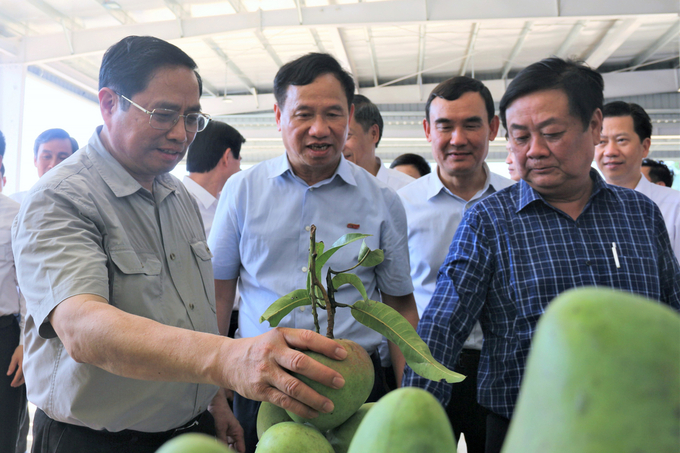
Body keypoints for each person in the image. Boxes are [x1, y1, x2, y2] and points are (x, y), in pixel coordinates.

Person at [11, 36, 349, 453]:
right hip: (97, 441)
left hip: (189, 431)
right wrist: (227, 359)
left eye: (192, 118)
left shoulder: (177, 196)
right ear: (108, 103)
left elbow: (190, 314)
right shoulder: (62, 198)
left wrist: (211, 399)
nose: (180, 134)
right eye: (163, 114)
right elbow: (82, 327)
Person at [403, 57, 680, 453]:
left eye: (551, 133)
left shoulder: (639, 213)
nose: (534, 151)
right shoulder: (488, 221)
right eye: (519, 137)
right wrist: (411, 420)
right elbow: (442, 327)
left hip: (637, 427)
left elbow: (673, 309)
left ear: (594, 125)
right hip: (529, 431)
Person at [209, 52, 419, 453]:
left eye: (333, 114)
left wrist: (409, 393)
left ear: (350, 117)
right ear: (278, 116)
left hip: (356, 386)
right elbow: (219, 295)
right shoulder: (243, 191)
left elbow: (398, 304)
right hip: (261, 380)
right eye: (303, 114)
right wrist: (214, 391)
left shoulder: (382, 201)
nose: (319, 129)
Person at [398, 76, 514, 453]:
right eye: (445, 125)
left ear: (494, 128)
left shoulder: (517, 203)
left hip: (501, 370)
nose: (457, 138)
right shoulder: (402, 205)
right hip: (429, 366)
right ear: (428, 130)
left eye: (472, 124)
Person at [595, 101, 680, 261]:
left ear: (645, 146)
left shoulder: (675, 207)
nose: (610, 151)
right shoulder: (583, 208)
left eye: (621, 140)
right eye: (601, 142)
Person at [0, 129, 26, 453]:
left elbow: (30, 288)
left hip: (3, 340)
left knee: (4, 434)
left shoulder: (16, 215)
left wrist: (24, 344)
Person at [184, 120, 245, 237]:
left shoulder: (222, 204)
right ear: (226, 157)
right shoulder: (181, 207)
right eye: (239, 160)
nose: (240, 169)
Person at [343, 94, 415, 190]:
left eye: (346, 136)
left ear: (373, 133)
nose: (339, 146)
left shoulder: (407, 190)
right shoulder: (326, 192)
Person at [10, 128, 78, 204]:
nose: (53, 165)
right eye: (46, 156)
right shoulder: (14, 203)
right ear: (35, 160)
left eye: (62, 158)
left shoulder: (83, 206)